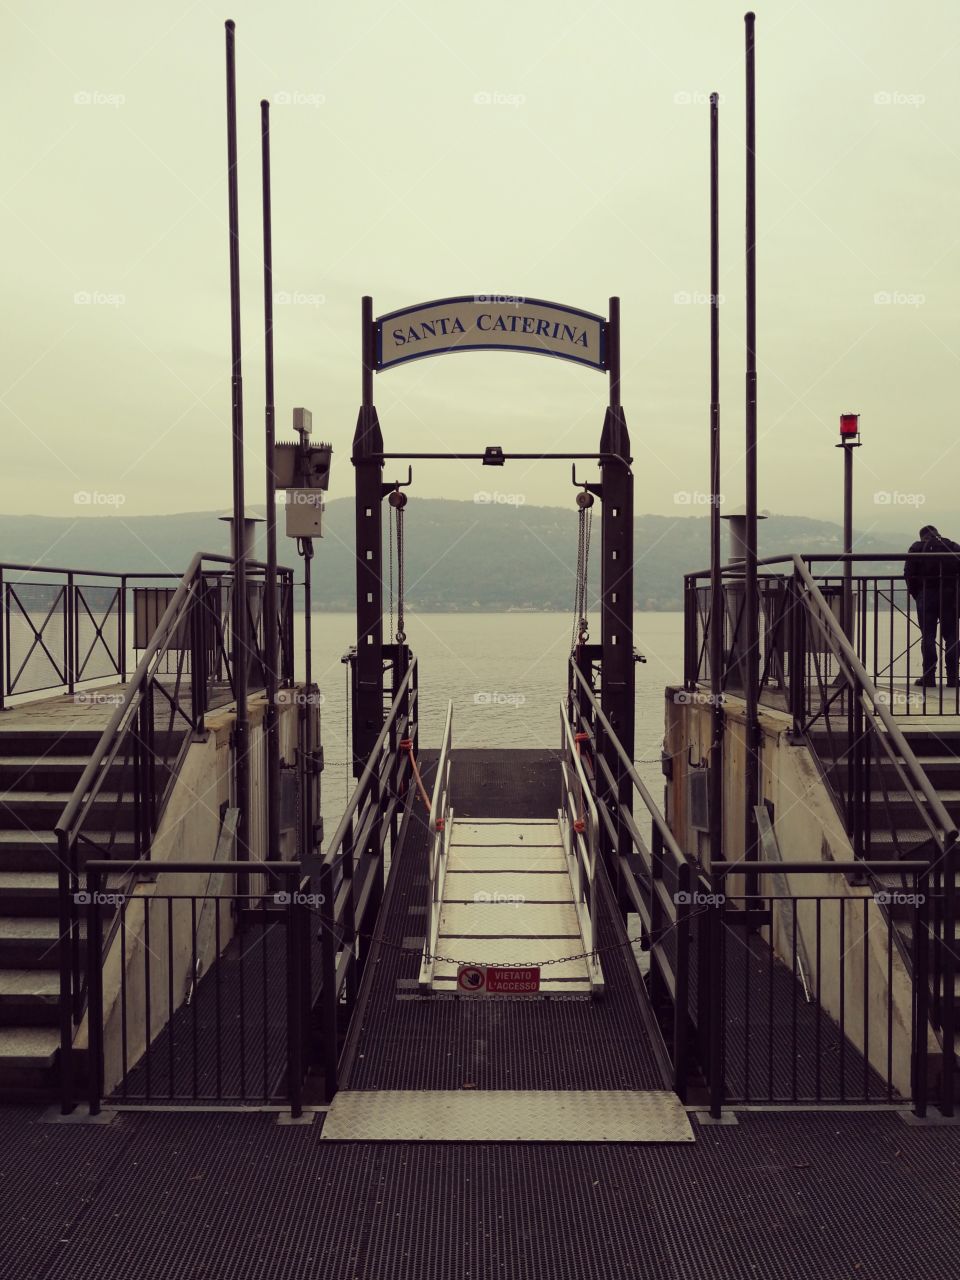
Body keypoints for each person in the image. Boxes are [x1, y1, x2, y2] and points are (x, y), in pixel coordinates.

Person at [904, 524, 960, 686]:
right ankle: (952, 677)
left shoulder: (917, 547)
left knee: (928, 636)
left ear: (922, 537)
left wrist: (917, 594)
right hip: (950, 596)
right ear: (938, 533)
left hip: (926, 594)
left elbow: (908, 574)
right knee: (951, 637)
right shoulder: (951, 546)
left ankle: (929, 677)